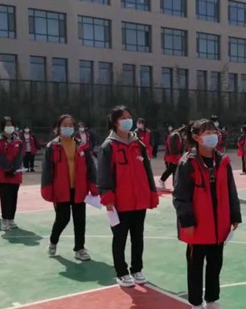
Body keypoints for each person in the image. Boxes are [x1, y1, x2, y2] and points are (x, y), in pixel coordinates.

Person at [173, 119, 242, 309]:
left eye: (214, 131)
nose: (212, 135)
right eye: (207, 132)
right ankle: (196, 304)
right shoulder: (188, 163)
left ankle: (212, 300)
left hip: (219, 226)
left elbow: (231, 190)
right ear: (196, 137)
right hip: (198, 226)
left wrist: (235, 215)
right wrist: (187, 221)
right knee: (196, 266)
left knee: (215, 265)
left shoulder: (223, 161)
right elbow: (180, 196)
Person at [98, 105, 159, 287]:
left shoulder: (138, 144)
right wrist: (107, 198)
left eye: (129, 116)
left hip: (139, 200)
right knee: (120, 238)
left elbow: (147, 171)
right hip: (119, 202)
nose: (127, 120)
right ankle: (122, 272)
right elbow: (103, 175)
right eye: (123, 117)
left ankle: (137, 269)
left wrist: (151, 192)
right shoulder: (108, 146)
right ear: (115, 122)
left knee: (138, 237)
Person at [42, 114, 98, 261]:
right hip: (61, 189)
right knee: (63, 218)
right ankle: (53, 241)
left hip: (79, 188)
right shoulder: (52, 147)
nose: (68, 128)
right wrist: (47, 189)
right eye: (65, 125)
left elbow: (91, 167)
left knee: (80, 220)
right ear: (58, 127)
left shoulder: (81, 145)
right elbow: (47, 170)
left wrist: (93, 185)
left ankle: (80, 248)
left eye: (70, 125)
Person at [0, 116, 24, 231]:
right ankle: (5, 219)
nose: (9, 127)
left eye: (11, 125)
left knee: (13, 196)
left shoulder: (18, 141)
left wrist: (14, 168)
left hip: (15, 173)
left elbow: (19, 156)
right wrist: (7, 168)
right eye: (7, 125)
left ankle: (11, 219)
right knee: (5, 196)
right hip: (2, 173)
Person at [159, 124, 184, 190]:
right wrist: (176, 158)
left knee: (174, 171)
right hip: (171, 157)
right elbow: (172, 147)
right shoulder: (174, 135)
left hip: (175, 157)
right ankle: (162, 180)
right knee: (170, 170)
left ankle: (175, 185)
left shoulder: (179, 137)